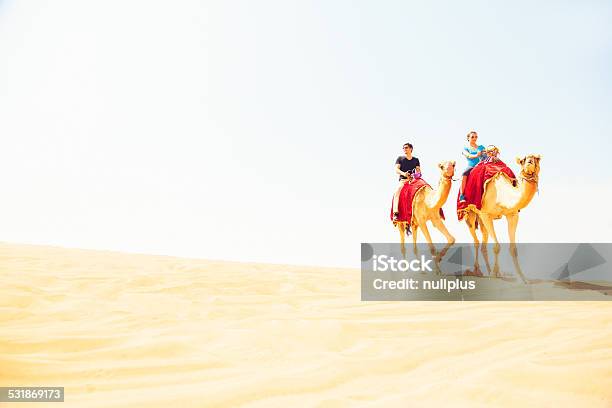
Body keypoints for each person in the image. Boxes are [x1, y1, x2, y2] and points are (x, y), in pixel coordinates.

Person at [392, 142, 421, 222]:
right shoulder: (400, 159)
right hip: (403, 180)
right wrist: (404, 173)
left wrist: (416, 175)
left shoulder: (416, 160)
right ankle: (395, 213)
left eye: (406, 147)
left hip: (413, 180)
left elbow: (418, 171)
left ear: (411, 149)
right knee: (397, 192)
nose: (404, 149)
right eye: (404, 148)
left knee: (424, 187)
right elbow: (396, 169)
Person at [459, 131, 485, 203]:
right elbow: (468, 155)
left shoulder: (481, 147)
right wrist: (477, 155)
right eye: (472, 137)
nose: (474, 138)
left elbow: (487, 155)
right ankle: (462, 195)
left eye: (476, 137)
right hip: (472, 166)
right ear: (468, 138)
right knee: (464, 174)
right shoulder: (465, 148)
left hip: (482, 165)